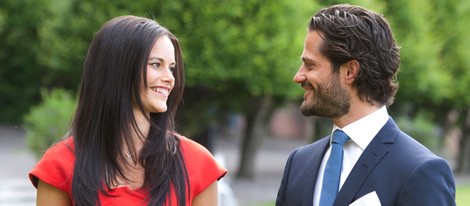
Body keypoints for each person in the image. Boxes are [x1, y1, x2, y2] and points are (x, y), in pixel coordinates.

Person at [29, 15, 227, 206]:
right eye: (156, 64)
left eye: (172, 68)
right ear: (118, 69)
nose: (170, 78)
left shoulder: (197, 164)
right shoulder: (60, 166)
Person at [276, 4, 456, 206]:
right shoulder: (298, 163)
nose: (298, 76)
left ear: (350, 71)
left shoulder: (421, 171)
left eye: (310, 65)